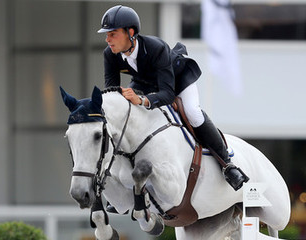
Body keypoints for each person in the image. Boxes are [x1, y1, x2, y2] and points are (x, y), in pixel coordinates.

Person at [98, 5, 249, 191]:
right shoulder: (110, 55)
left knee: (193, 113)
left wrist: (143, 101)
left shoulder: (156, 47)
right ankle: (125, 179)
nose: (107, 39)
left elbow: (168, 94)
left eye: (112, 34)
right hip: (144, 83)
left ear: (130, 32)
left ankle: (227, 165)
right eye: (107, 34)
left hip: (178, 80)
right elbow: (111, 93)